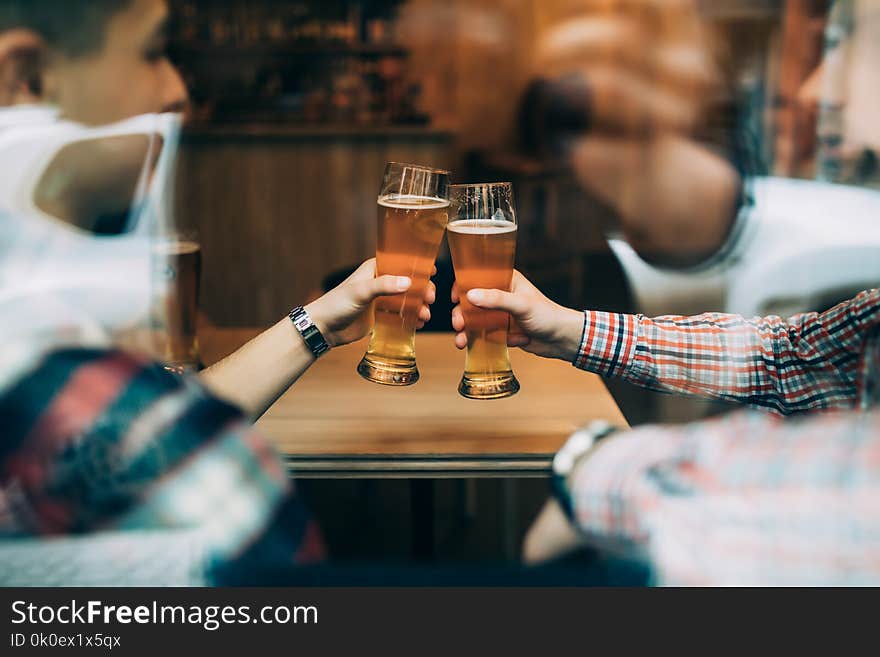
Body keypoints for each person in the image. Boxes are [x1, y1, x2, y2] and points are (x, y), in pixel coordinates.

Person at [0, 0, 436, 582]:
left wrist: (321, 322)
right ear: (26, 79)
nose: (177, 91)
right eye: (153, 52)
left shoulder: (64, 359)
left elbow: (155, 428)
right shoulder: (64, 382)